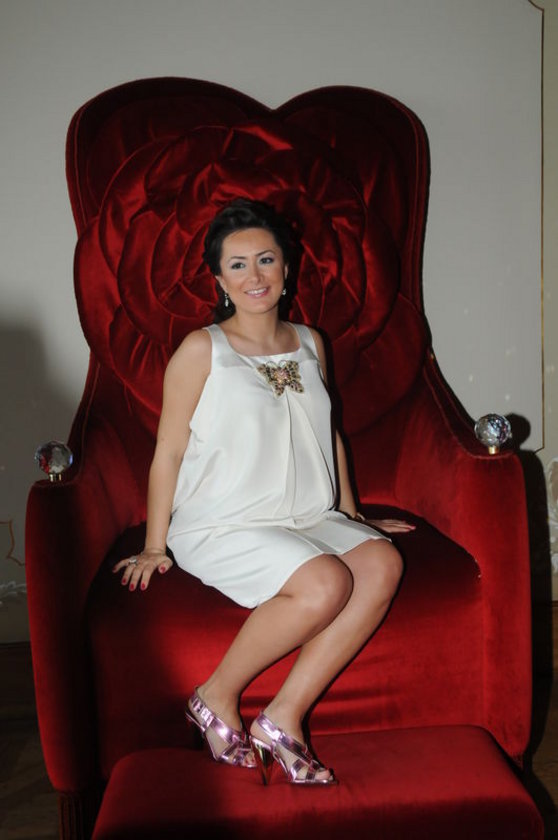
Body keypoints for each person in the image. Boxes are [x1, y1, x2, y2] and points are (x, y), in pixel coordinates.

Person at [113, 198, 414, 786]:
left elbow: (327, 430)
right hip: (225, 521)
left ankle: (283, 716)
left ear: (287, 268)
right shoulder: (202, 350)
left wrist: (352, 514)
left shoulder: (310, 341)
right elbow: (168, 451)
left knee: (382, 562)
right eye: (238, 264)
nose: (255, 275)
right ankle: (214, 695)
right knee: (326, 581)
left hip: (306, 515)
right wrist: (154, 543)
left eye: (266, 259)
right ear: (219, 280)